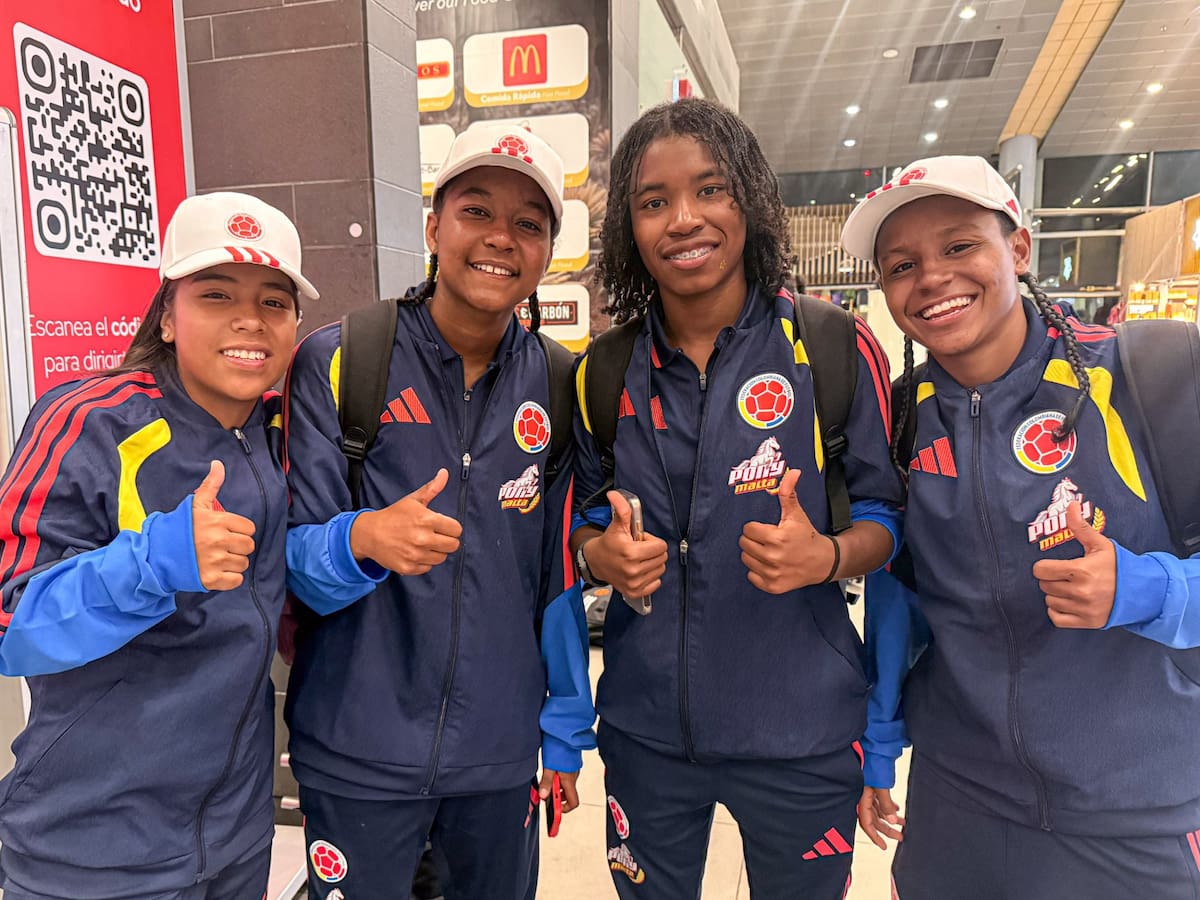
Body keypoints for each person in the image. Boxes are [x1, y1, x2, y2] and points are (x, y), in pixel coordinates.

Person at [570, 98, 903, 900]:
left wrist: (826, 555)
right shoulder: (603, 371)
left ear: (749, 203)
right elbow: (581, 519)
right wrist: (598, 554)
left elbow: (887, 522)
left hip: (804, 737)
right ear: (629, 228)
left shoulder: (829, 347)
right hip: (646, 736)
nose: (683, 219)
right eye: (653, 202)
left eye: (710, 190)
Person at [842, 156, 1200, 899]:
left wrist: (1146, 588)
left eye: (958, 246)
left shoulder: (1152, 374)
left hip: (1139, 812)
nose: (932, 277)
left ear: (1019, 248)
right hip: (958, 806)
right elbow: (902, 600)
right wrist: (879, 747)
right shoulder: (904, 416)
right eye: (902, 264)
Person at [282, 123, 595, 900]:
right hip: (356, 755)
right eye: (476, 212)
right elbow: (292, 565)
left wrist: (560, 733)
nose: (500, 239)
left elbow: (554, 582)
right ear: (434, 227)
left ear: (548, 250)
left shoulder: (561, 385)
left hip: (496, 759)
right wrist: (363, 539)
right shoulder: (344, 358)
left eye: (529, 224)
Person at [0, 191, 313, 898]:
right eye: (215, 293)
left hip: (234, 843)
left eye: (274, 300)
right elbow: (9, 625)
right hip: (90, 854)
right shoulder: (89, 418)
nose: (248, 319)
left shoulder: (277, 430)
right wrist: (153, 564)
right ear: (167, 316)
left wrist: (352, 550)